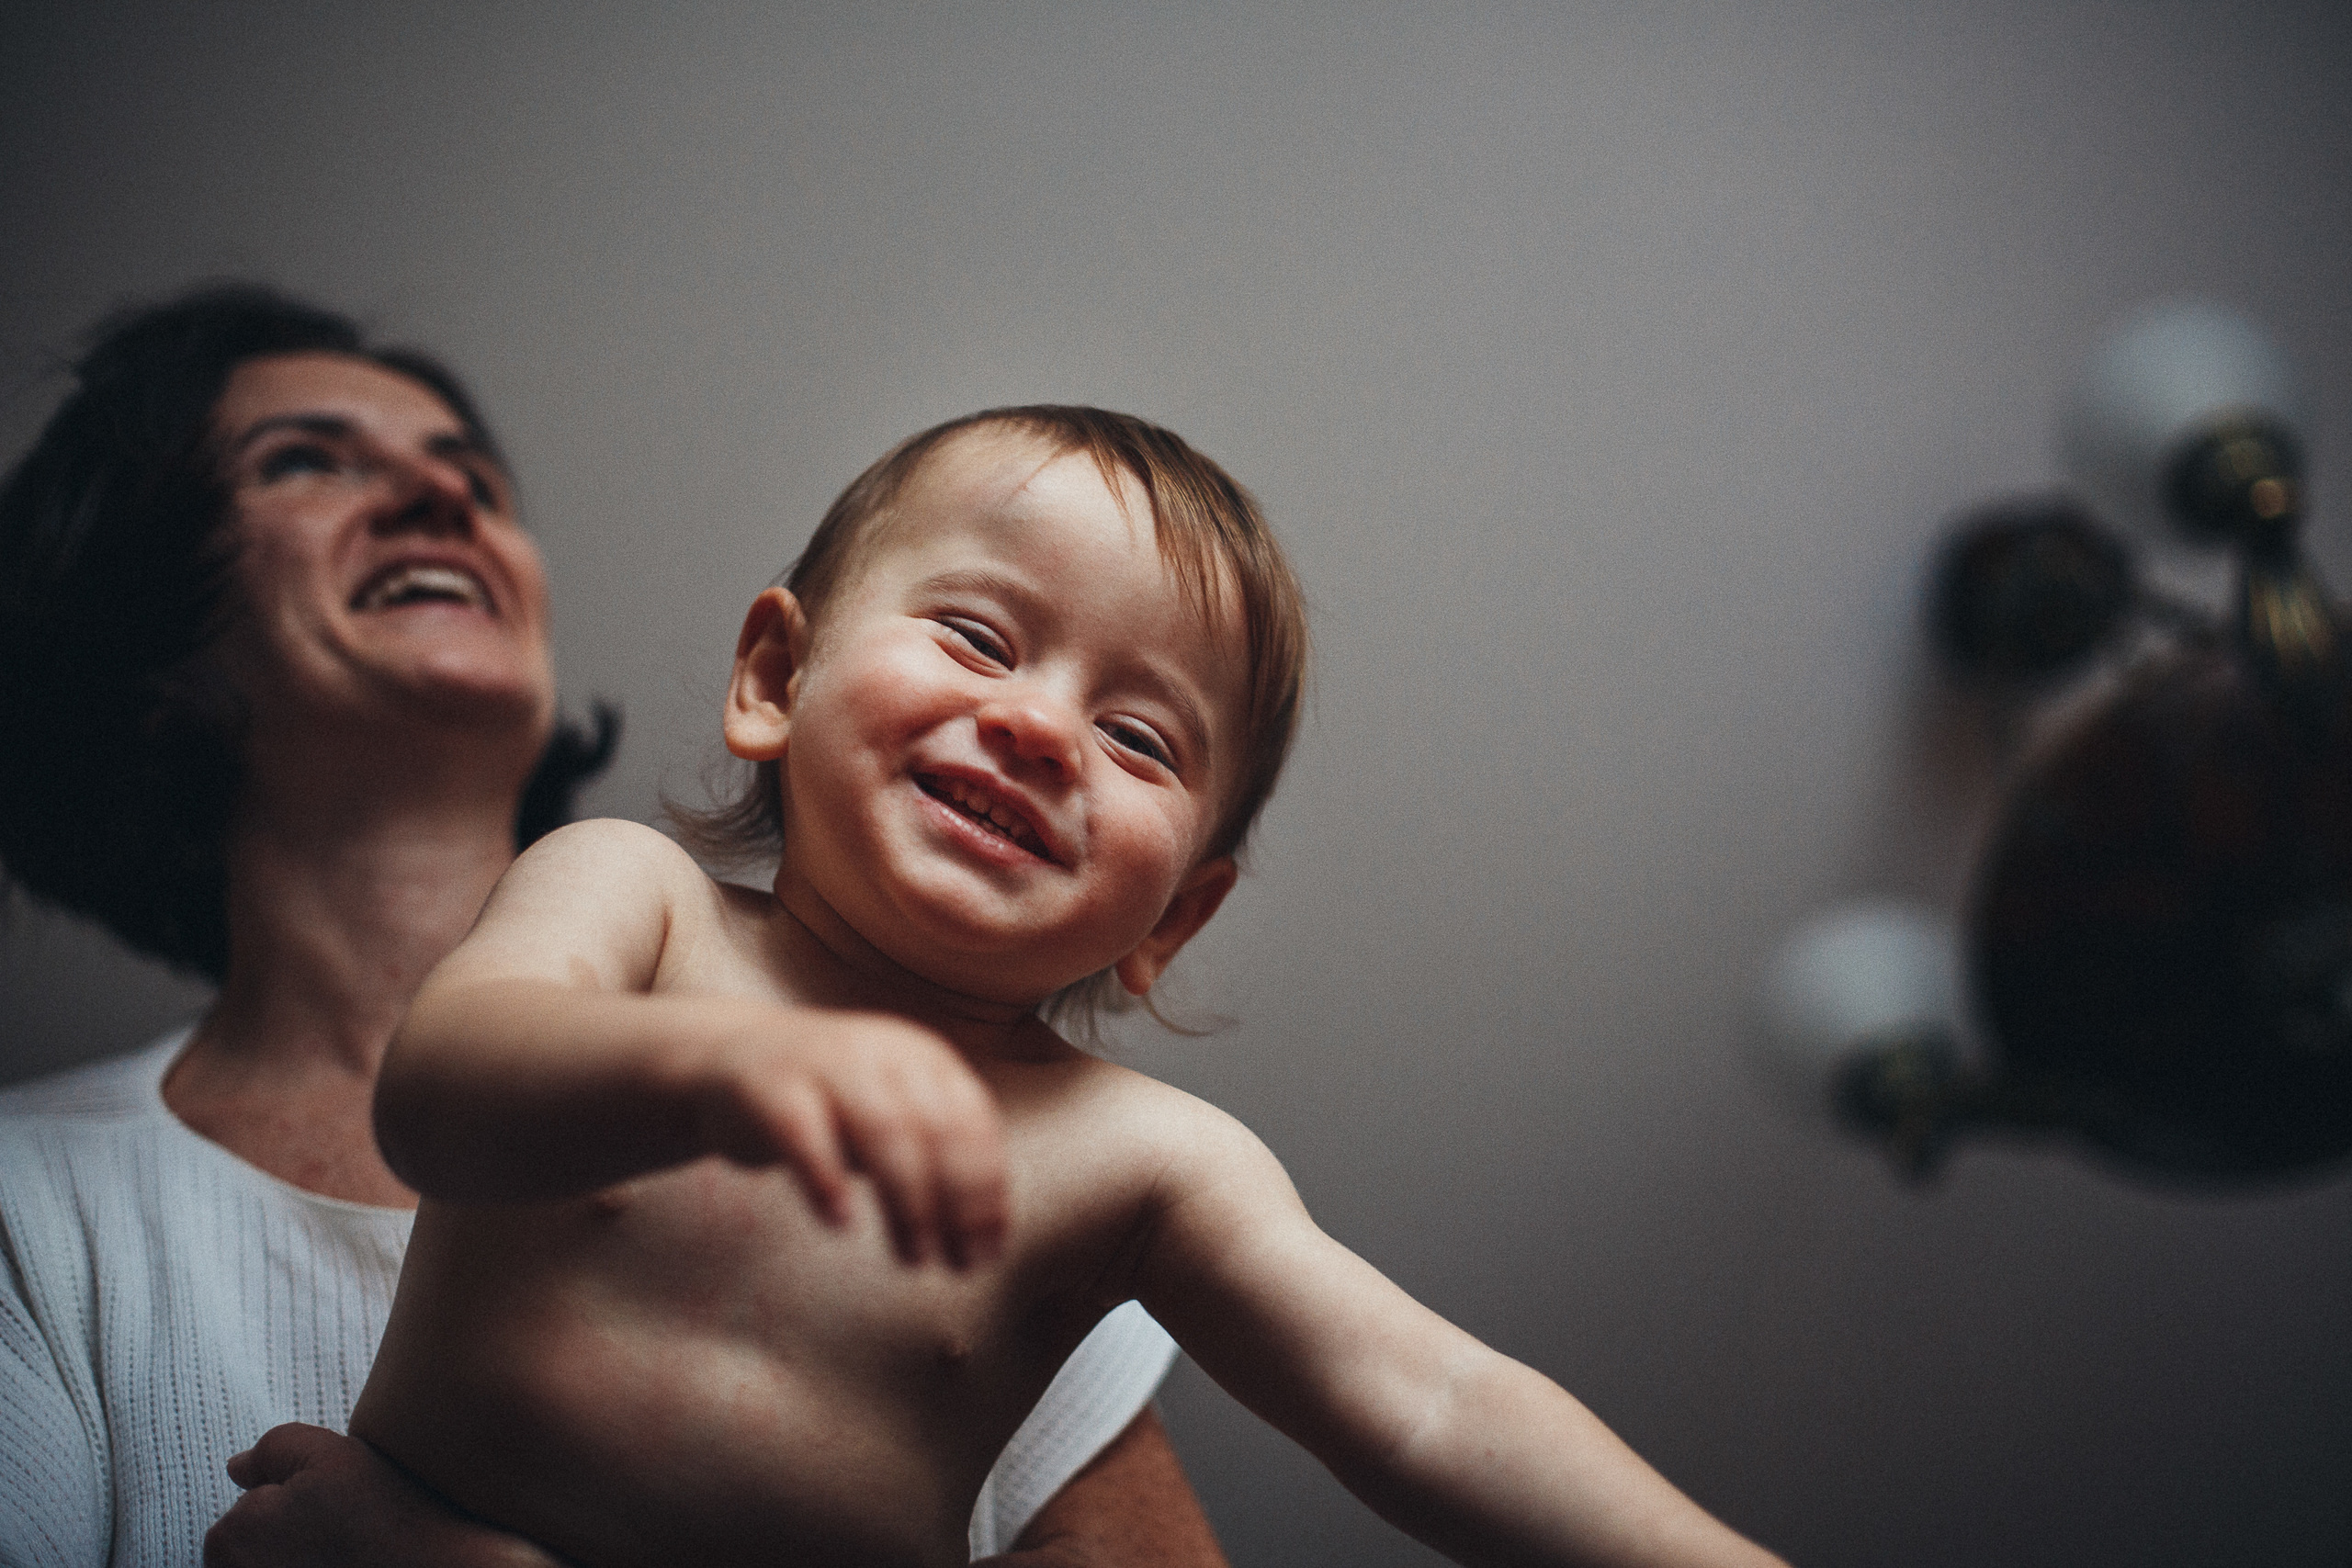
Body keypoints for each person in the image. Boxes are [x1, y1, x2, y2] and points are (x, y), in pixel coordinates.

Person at [349, 405, 1790, 1567]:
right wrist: (728, 1073)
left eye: (1141, 737)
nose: (1041, 726)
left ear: (1178, 915)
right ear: (778, 677)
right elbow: (438, 1092)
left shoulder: (1137, 1156)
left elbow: (1433, 1404)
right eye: (979, 639)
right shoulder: (639, 899)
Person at [0, 287, 1228, 1567]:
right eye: (305, 461)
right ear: (131, 637)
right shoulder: (31, 1209)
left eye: (472, 475)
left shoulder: (986, 1168)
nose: (442, 495)